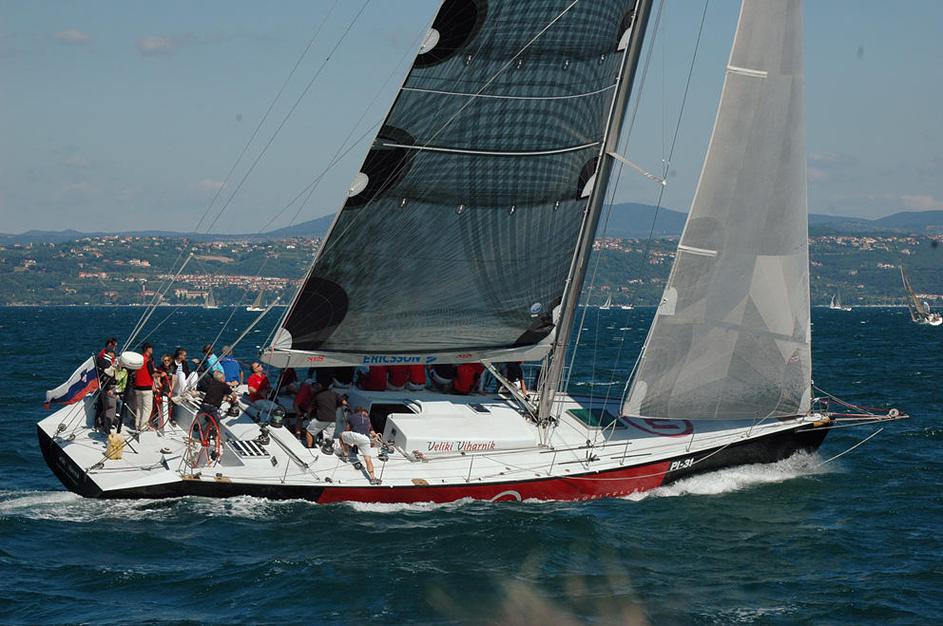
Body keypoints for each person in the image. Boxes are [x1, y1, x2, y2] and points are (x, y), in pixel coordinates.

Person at [340, 406, 380, 484]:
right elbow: (373, 433)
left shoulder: (351, 417)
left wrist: (347, 439)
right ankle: (373, 478)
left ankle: (345, 455)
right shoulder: (368, 419)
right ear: (362, 412)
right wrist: (375, 438)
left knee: (341, 435)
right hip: (366, 439)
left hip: (356, 436)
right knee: (368, 459)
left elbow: (347, 430)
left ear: (356, 412)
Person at [130, 342, 155, 430]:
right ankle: (143, 426)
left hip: (137, 387)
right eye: (151, 348)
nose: (152, 350)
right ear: (148, 349)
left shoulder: (139, 360)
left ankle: (137, 425)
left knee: (139, 408)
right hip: (146, 388)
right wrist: (161, 374)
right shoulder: (148, 361)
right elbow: (152, 374)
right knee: (147, 408)